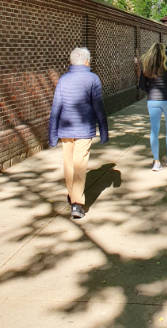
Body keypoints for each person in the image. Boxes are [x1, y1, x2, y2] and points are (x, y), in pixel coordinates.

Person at [48, 47, 109, 220]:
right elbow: (99, 107)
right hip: (84, 128)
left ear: (71, 61)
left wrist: (52, 134)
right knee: (80, 164)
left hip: (65, 128)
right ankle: (77, 203)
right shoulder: (93, 79)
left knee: (68, 163)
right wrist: (104, 130)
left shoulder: (63, 79)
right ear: (87, 61)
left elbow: (56, 108)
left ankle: (72, 194)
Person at [139, 42, 167, 171]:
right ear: (163, 52)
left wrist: (150, 91)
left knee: (154, 130)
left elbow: (142, 85)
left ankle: (156, 162)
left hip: (152, 101)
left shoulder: (147, 65)